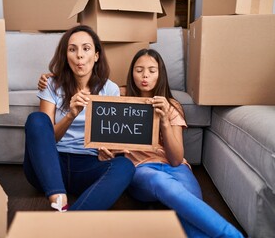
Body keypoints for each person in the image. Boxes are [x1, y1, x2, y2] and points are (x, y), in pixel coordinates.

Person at [38, 48, 244, 237]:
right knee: (165, 185)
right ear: (132, 73)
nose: (145, 75)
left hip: (176, 168)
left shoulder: (170, 105)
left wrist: (163, 121)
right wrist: (53, 78)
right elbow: (90, 89)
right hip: (140, 169)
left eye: (152, 70)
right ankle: (232, 235)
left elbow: (175, 159)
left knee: (189, 209)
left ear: (160, 74)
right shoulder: (120, 95)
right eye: (139, 70)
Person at [24, 25, 135, 211]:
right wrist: (71, 115)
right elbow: (46, 138)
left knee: (126, 166)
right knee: (37, 119)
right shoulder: (51, 84)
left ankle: (72, 221)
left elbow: (111, 139)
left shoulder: (110, 89)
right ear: (66, 56)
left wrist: (108, 149)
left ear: (97, 55)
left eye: (86, 48)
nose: (80, 55)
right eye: (72, 49)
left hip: (88, 166)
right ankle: (59, 201)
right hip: (50, 165)